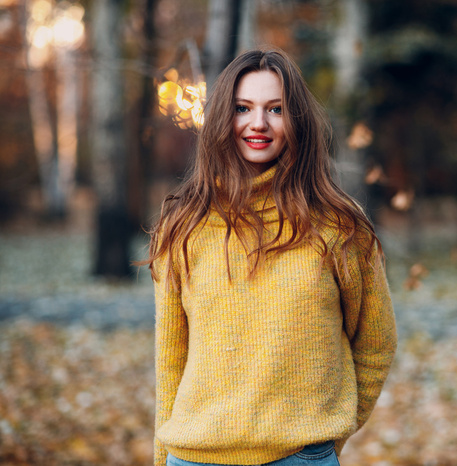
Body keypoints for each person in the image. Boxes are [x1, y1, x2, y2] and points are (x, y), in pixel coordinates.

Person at [144, 48, 397, 466]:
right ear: (224, 117)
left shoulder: (337, 226)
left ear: (295, 120)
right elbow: (171, 363)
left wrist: (328, 437)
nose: (257, 123)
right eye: (243, 108)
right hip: (195, 457)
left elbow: (376, 343)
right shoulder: (184, 225)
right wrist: (160, 458)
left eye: (275, 109)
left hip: (299, 458)